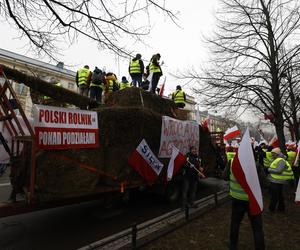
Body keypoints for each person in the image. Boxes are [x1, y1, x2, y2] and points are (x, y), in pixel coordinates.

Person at [223, 152, 265, 250]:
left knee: (235, 223)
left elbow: (224, 176)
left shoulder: (232, 162)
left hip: (237, 199)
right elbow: (265, 183)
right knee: (257, 227)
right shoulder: (256, 165)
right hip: (252, 200)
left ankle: (233, 245)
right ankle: (260, 247)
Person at [267, 147, 294, 212]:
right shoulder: (279, 159)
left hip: (278, 181)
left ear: (277, 154)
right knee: (279, 195)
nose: (272, 155)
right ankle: (281, 209)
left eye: (273, 154)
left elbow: (278, 171)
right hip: (278, 181)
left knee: (275, 196)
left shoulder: (281, 160)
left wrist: (269, 169)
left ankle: (271, 209)